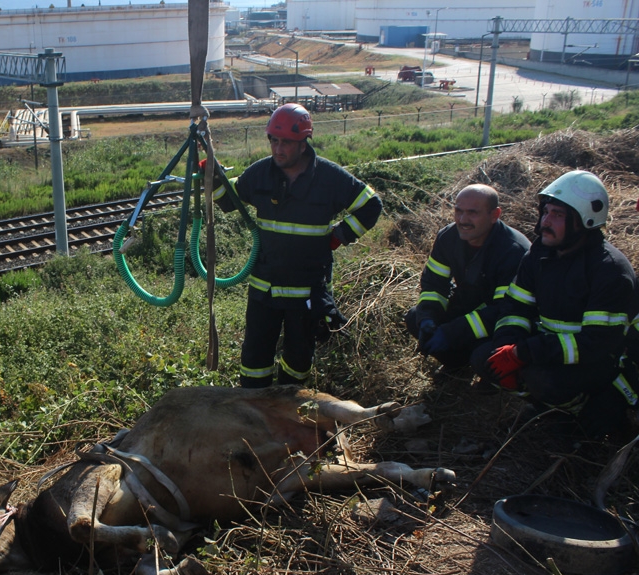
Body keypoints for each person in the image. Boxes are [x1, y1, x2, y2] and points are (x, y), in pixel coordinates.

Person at [212, 103, 383, 387]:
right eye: (274, 141)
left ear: (303, 143)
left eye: (287, 143)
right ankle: (255, 412)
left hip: (305, 291)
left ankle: (290, 409)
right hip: (264, 288)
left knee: (298, 361)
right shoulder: (261, 173)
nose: (278, 149)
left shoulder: (329, 178)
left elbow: (371, 205)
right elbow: (229, 199)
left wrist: (340, 235)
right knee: (255, 360)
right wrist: (210, 176)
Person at [470, 170, 637, 437]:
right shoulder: (539, 254)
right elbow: (515, 308)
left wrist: (523, 353)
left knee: (542, 379)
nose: (546, 221)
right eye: (546, 211)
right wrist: (506, 346)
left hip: (595, 363)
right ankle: (545, 406)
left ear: (585, 220)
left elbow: (595, 344)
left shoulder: (609, 271)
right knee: (484, 359)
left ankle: (580, 410)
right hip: (549, 350)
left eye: (558, 215)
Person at [404, 184, 529, 370]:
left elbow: (504, 310)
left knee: (485, 355)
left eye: (472, 213)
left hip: (502, 324)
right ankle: (457, 366)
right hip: (468, 308)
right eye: (458, 211)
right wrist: (428, 319)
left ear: (494, 215)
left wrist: (452, 332)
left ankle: (481, 371)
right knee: (415, 317)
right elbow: (434, 285)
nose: (463, 220)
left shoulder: (513, 251)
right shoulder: (448, 238)